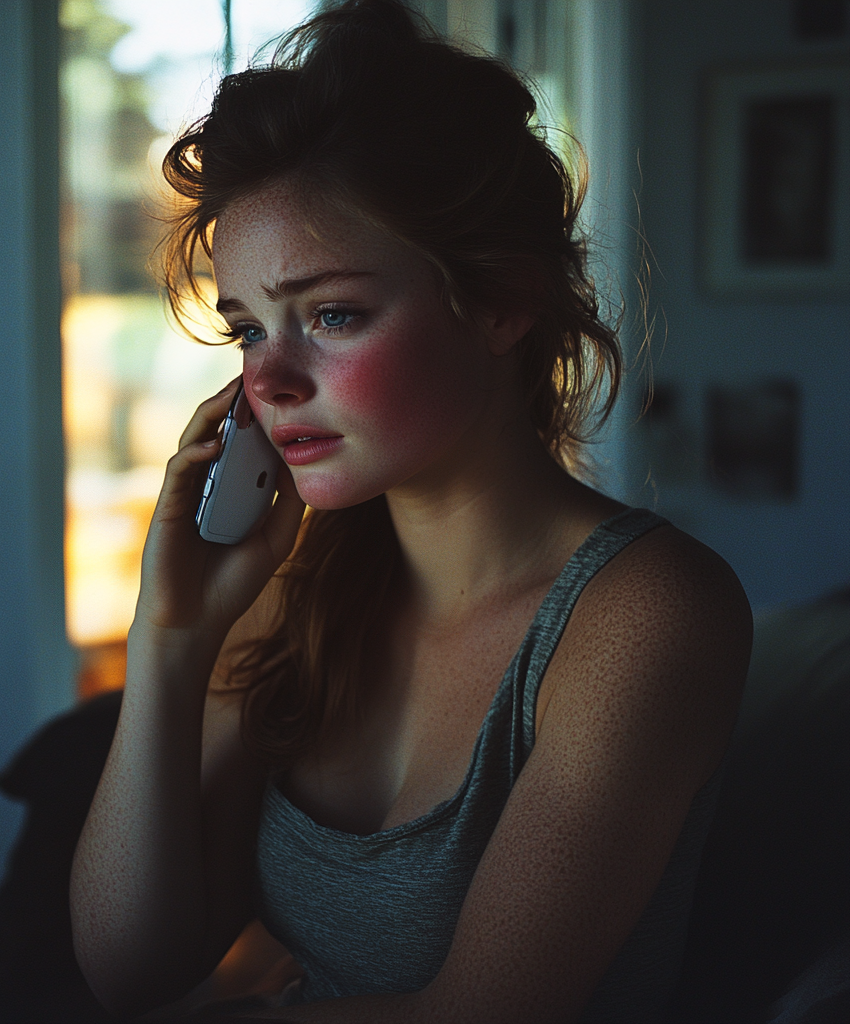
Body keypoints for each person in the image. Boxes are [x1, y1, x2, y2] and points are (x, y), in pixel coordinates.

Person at [69, 2, 751, 1021]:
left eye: (332, 314)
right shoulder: (295, 586)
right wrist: (170, 635)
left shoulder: (644, 614)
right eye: (248, 329)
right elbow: (130, 966)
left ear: (502, 303)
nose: (272, 379)